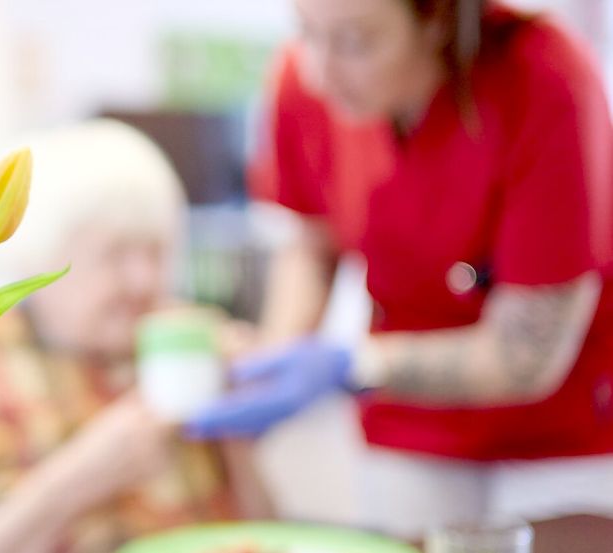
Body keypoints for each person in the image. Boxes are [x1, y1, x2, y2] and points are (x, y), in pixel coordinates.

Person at [186, 0, 613, 537]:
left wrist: (350, 366)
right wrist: (272, 361)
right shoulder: (301, 81)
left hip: (558, 430)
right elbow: (312, 246)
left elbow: (527, 356)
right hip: (409, 423)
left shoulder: (544, 76)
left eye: (356, 41)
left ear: (436, 20)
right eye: (306, 33)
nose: (319, 74)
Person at [0, 120, 263, 553]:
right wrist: (75, 482)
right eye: (114, 255)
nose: (143, 280)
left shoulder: (183, 345)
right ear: (38, 261)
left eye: (156, 252)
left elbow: (263, 533)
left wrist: (237, 431)